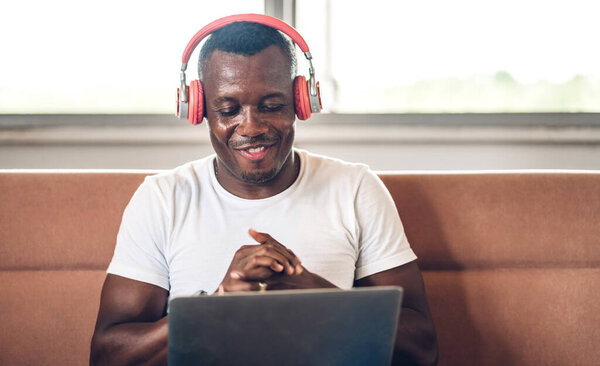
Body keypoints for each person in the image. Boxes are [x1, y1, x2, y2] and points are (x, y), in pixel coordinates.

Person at [90, 15, 438, 366]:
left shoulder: (355, 188)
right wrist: (214, 308)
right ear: (199, 110)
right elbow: (107, 356)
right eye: (228, 110)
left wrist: (318, 298)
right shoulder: (161, 199)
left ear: (301, 101)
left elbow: (423, 350)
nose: (251, 126)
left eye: (271, 106)